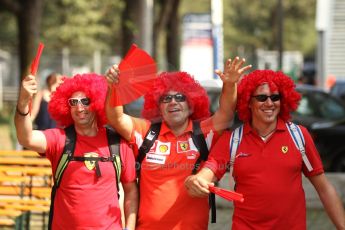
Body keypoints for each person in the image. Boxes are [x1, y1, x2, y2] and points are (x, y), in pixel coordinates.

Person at [184, 69, 345, 230]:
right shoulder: (233, 139)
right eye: (262, 97)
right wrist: (196, 180)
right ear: (248, 101)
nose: (269, 103)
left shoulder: (299, 135)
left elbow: (324, 188)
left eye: (275, 97)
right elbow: (208, 171)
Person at [105, 57, 252, 229]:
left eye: (180, 97)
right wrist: (113, 87)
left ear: (190, 105)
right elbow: (115, 118)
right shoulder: (146, 132)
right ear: (158, 107)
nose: (173, 102)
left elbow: (226, 113)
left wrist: (230, 84)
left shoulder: (203, 133)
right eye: (166, 98)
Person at [15, 73, 138, 230]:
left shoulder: (117, 143)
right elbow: (26, 138)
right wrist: (23, 102)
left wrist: (129, 228)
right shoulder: (59, 139)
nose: (80, 108)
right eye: (74, 102)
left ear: (97, 103)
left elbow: (131, 192)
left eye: (85, 101)